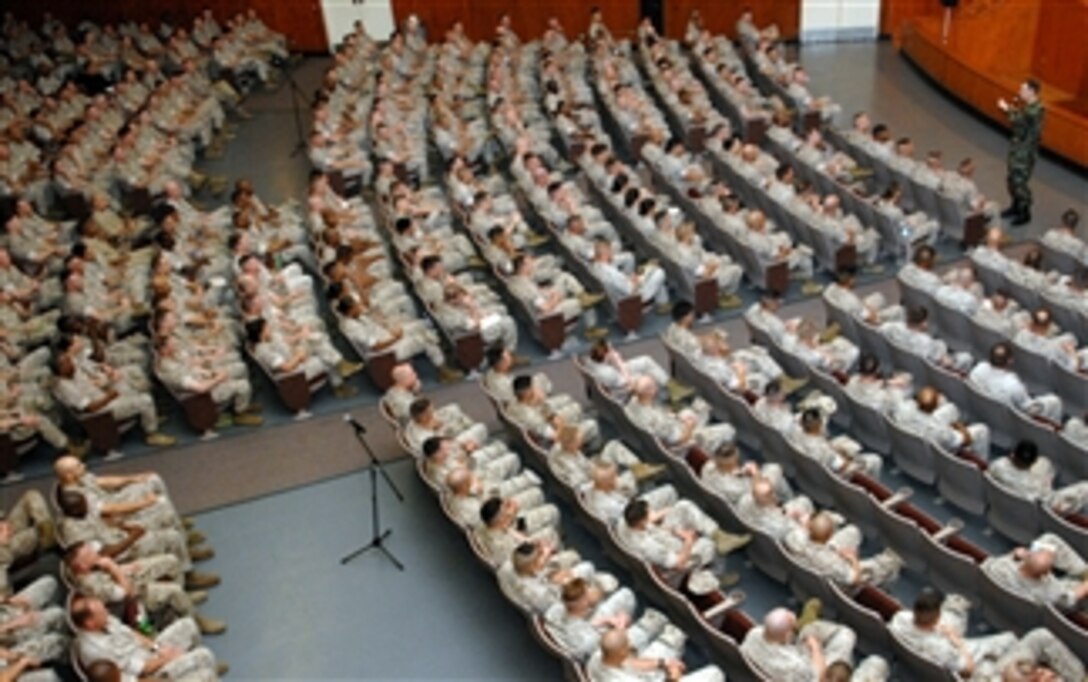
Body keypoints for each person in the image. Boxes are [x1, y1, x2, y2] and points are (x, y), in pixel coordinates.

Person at [72, 595, 224, 679]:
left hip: (148, 654)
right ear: (90, 623)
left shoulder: (102, 620)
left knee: (188, 625)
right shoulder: (97, 651)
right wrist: (168, 658)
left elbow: (131, 633)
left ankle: (191, 664)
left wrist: (157, 647)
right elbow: (139, 670)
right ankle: (198, 665)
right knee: (204, 655)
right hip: (148, 674)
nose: (107, 611)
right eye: (102, 611)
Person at [889, 588, 1016, 677]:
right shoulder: (943, 649)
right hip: (956, 651)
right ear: (938, 617)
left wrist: (942, 631)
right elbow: (968, 669)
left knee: (953, 615)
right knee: (1009, 639)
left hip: (916, 653)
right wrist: (958, 643)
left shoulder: (899, 618)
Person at [740, 606, 883, 682]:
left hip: (783, 661)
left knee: (810, 631)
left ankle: (807, 626)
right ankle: (808, 627)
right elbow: (820, 675)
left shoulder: (753, 634)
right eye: (792, 629)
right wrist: (815, 648)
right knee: (849, 638)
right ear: (786, 635)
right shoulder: (795, 665)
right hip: (805, 672)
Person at [981, 535, 1088, 609]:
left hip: (1005, 589)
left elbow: (985, 566)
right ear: (1048, 573)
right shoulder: (1051, 592)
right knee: (1078, 586)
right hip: (1050, 594)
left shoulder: (1001, 566)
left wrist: (1012, 555)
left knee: (1049, 539)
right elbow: (1069, 598)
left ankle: (1084, 570)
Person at [586, 625, 724, 682]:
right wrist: (675, 676)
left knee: (673, 636)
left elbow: (631, 662)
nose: (630, 645)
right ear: (622, 652)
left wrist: (663, 663)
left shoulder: (597, 657)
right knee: (715, 672)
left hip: (634, 676)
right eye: (627, 644)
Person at [997, 79, 1044, 226]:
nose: (1019, 92)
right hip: (1018, 149)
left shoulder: (1037, 109)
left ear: (1031, 92)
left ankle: (1025, 211)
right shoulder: (1028, 107)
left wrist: (1007, 109)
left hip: (1025, 153)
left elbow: (1020, 120)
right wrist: (1012, 109)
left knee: (1019, 182)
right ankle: (1015, 206)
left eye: (1022, 90)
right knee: (1012, 180)